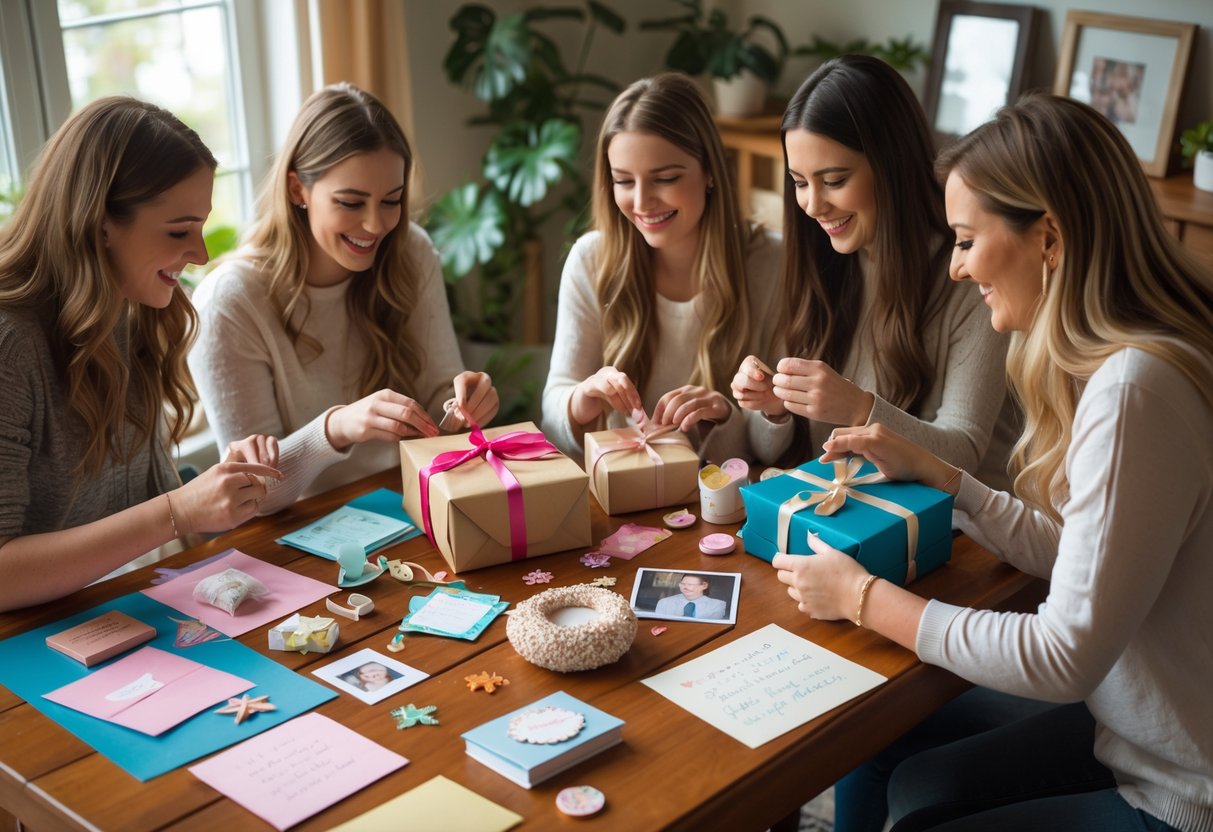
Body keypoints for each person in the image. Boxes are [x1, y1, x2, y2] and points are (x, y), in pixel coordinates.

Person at [775, 94, 1213, 831]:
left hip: (1179, 787)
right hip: (1132, 730)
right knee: (904, 770)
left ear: (1047, 238)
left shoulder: (1133, 391)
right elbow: (1093, 563)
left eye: (965, 240)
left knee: (918, 805)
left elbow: (1061, 654)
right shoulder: (1129, 363)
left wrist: (862, 600)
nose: (953, 268)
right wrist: (948, 481)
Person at [0, 97, 282, 613]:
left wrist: (220, 496)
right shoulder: (10, 345)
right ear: (100, 223)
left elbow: (142, 515)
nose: (201, 253)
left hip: (103, 618)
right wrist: (178, 510)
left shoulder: (130, 311)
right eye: (179, 231)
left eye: (200, 227)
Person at [189, 83, 498, 512]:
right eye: (351, 202)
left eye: (391, 200)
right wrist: (335, 428)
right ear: (298, 190)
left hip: (411, 501)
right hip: (300, 532)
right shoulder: (230, 302)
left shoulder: (410, 252)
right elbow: (253, 495)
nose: (375, 225)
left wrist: (464, 403)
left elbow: (441, 411)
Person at [731, 55, 1015, 489]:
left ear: (892, 165)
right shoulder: (820, 260)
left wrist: (860, 408)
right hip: (849, 521)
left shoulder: (970, 278)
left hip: (963, 538)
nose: (811, 205)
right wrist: (775, 408)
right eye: (800, 182)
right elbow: (767, 450)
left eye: (834, 180)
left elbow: (963, 457)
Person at [541, 73, 780, 462]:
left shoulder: (770, 262)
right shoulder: (590, 260)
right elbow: (553, 418)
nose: (642, 202)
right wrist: (580, 399)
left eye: (665, 178)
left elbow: (776, 448)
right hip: (620, 497)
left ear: (710, 172)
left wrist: (726, 413)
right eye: (623, 181)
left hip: (729, 503)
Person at [654, 573, 726, 619]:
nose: (685, 587)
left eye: (690, 585)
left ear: (704, 586)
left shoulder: (718, 605)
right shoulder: (664, 602)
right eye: (683, 584)